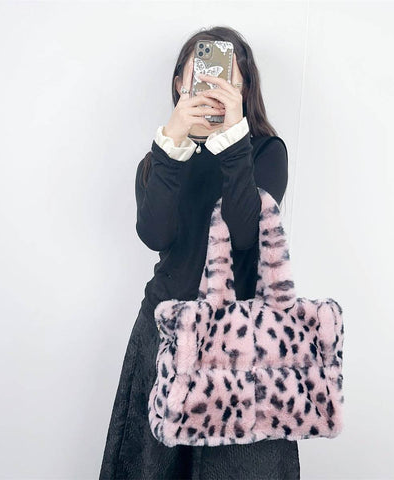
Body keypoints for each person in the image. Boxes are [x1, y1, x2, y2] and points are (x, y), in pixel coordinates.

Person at [99, 26, 300, 479]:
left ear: (243, 90)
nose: (213, 87)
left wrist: (233, 141)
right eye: (201, 75)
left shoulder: (266, 152)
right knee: (152, 469)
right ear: (179, 83)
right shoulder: (161, 158)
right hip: (167, 331)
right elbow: (155, 235)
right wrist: (172, 144)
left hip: (241, 343)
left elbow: (245, 235)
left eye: (228, 79)